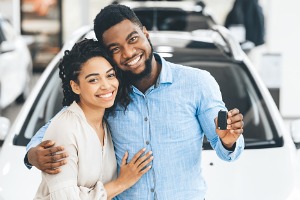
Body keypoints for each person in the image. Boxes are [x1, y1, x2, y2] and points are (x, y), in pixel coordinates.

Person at [25, 4, 245, 200]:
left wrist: (228, 141)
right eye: (115, 49)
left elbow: (225, 148)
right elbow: (59, 126)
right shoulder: (108, 93)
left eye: (133, 39)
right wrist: (33, 154)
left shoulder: (197, 83)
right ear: (108, 55)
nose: (129, 52)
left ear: (145, 34)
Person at [33, 38, 153, 199]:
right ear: (76, 86)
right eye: (93, 79)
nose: (106, 85)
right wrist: (121, 183)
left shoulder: (107, 124)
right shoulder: (65, 128)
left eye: (110, 75)